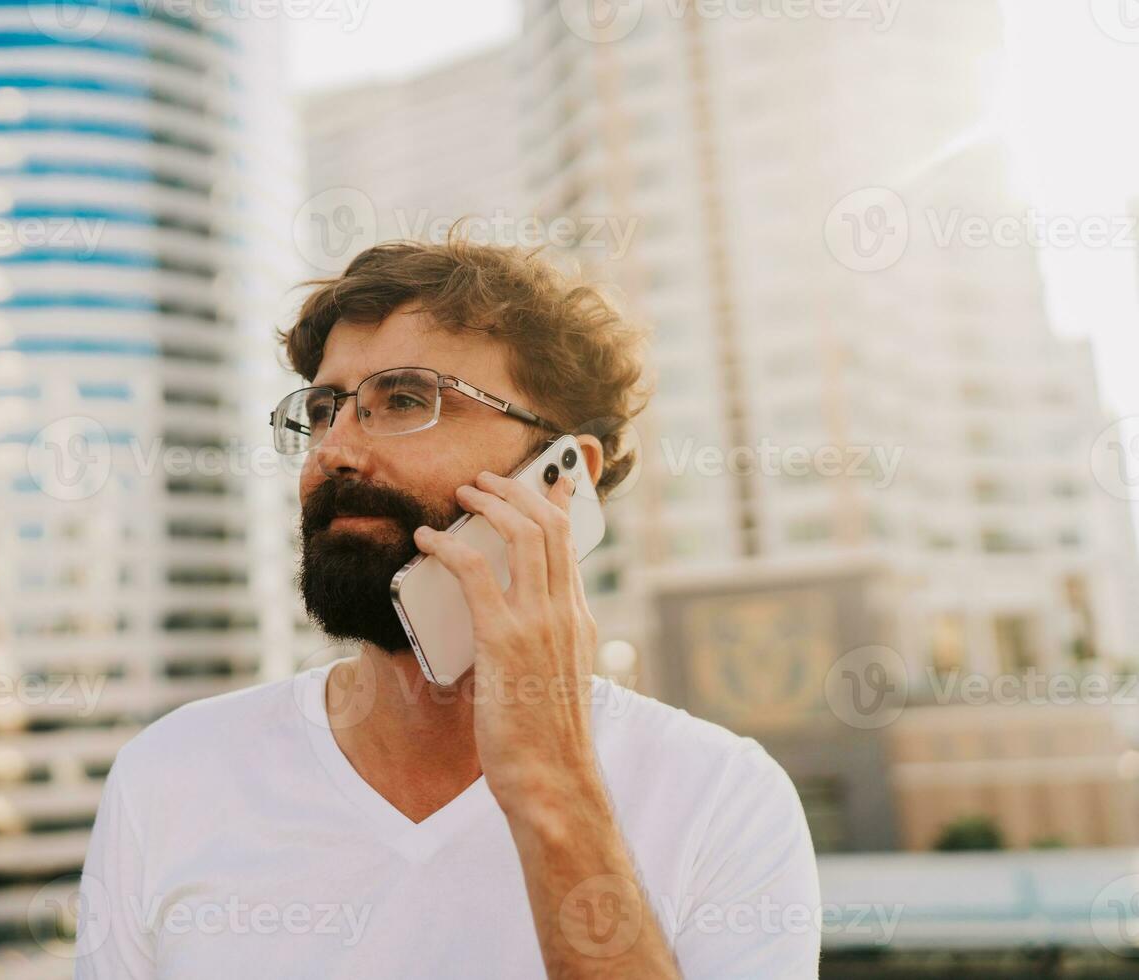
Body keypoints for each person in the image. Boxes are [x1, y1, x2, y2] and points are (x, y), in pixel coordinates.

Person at [74, 235, 821, 978]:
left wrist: (553, 790)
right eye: (326, 408)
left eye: (403, 400)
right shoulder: (170, 775)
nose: (335, 449)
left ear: (562, 477)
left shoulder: (721, 797)